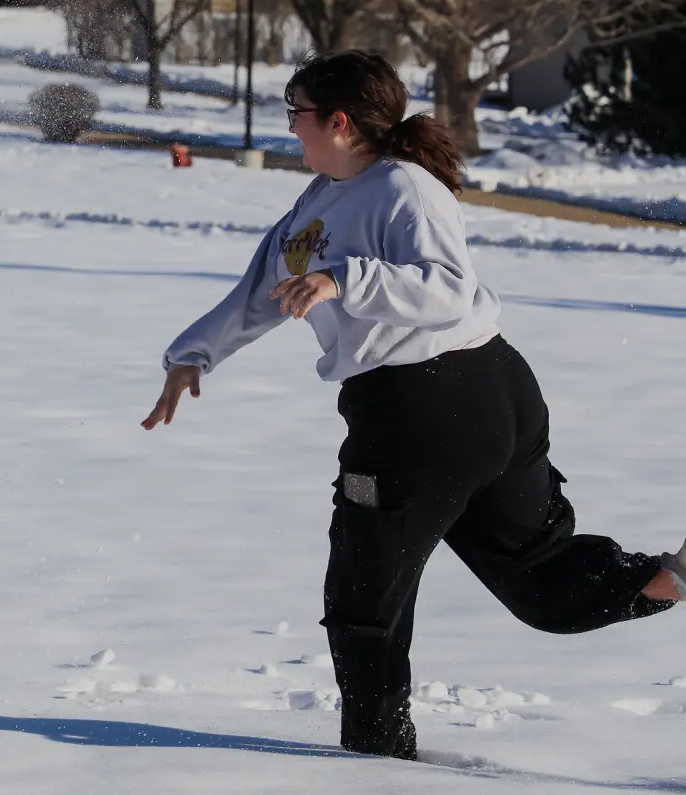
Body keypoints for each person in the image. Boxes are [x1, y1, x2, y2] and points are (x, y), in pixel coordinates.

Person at [141, 50, 683, 759]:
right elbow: (264, 288)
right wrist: (192, 353)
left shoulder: (405, 187)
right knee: (540, 579)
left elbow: (447, 288)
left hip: (422, 409)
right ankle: (673, 577)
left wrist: (345, 281)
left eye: (296, 114)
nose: (291, 128)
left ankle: (378, 767)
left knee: (364, 604)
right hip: (473, 404)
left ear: (338, 121)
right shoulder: (323, 196)